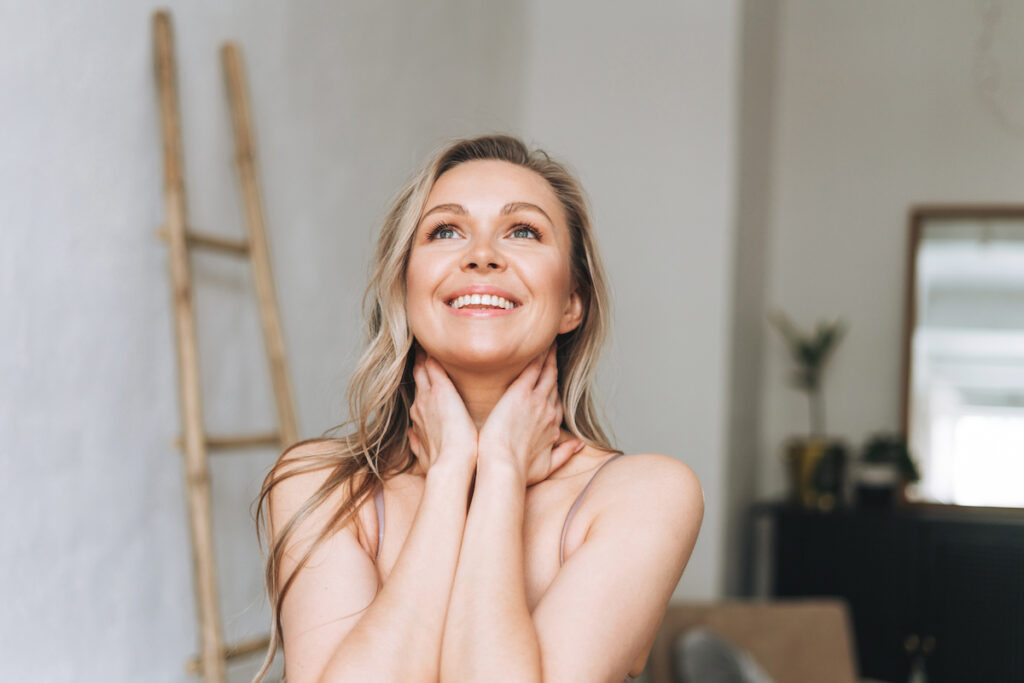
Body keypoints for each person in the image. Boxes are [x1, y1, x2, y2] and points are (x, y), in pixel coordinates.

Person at [252, 134, 704, 683]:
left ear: (571, 302)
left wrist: (501, 474)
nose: (482, 255)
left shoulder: (645, 494)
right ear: (403, 287)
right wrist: (450, 474)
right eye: (446, 230)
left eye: (523, 231)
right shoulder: (317, 484)